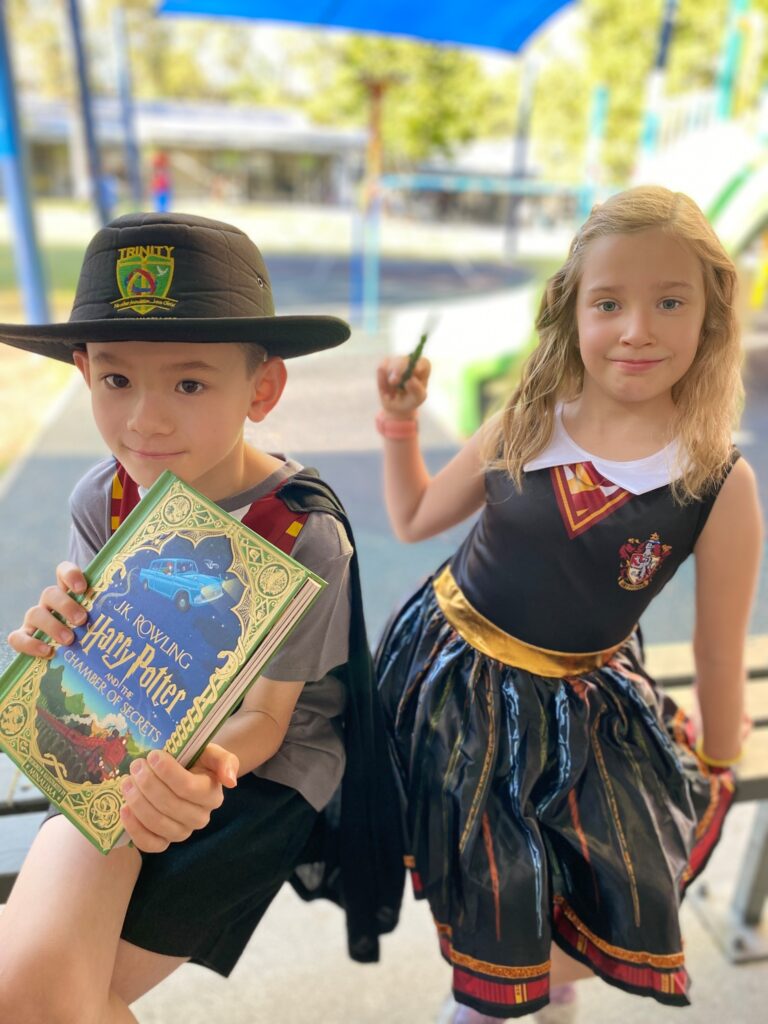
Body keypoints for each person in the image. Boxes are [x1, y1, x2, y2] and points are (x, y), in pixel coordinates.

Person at [0, 211, 402, 1023]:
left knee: (59, 993)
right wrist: (56, 643)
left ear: (263, 388)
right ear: (83, 371)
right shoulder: (105, 497)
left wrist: (200, 769)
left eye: (189, 384)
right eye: (117, 380)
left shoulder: (301, 535)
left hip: (255, 767)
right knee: (31, 990)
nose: (145, 421)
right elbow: (94, 669)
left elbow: (271, 720)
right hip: (126, 741)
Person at [374, 185, 763, 1022]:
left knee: (573, 892)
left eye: (670, 301)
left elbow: (717, 646)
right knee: (485, 884)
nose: (637, 329)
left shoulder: (718, 482)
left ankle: (527, 996)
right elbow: (412, 519)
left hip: (580, 713)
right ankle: (498, 1000)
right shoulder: (526, 421)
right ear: (571, 310)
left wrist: (720, 762)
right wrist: (399, 426)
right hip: (449, 685)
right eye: (609, 302)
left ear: (711, 315)